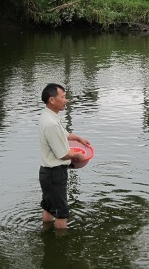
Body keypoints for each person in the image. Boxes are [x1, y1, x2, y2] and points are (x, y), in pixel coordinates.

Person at [38, 83, 91, 229]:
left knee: (48, 207)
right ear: (52, 100)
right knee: (61, 213)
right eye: (63, 97)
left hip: (46, 172)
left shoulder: (47, 116)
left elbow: (63, 134)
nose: (66, 100)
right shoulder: (51, 124)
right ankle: (60, 244)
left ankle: (47, 235)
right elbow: (63, 155)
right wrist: (78, 156)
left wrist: (78, 139)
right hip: (55, 174)